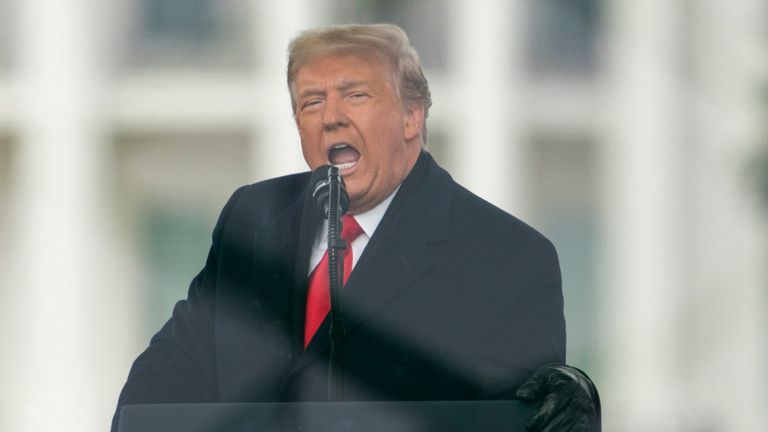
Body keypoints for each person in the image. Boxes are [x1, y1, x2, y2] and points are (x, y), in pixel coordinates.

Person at [112, 23, 599, 431]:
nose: (331, 118)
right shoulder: (253, 215)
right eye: (310, 103)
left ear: (412, 115)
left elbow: (522, 418)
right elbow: (171, 373)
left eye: (355, 95)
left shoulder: (507, 255)